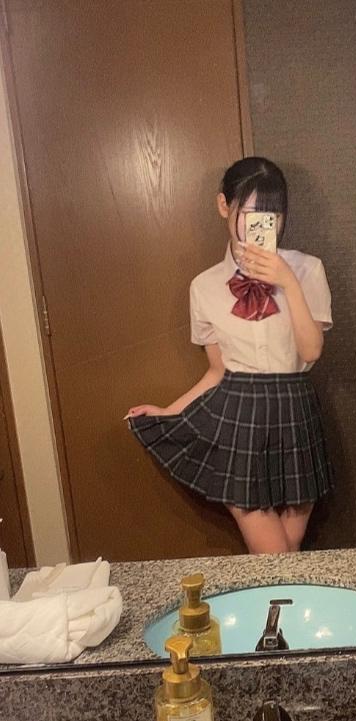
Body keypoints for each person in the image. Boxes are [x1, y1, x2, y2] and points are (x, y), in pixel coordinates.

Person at [125, 157, 333, 554]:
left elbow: (311, 351)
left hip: (295, 413)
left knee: (287, 554)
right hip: (240, 416)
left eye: (272, 214)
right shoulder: (204, 287)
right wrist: (168, 412)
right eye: (251, 212)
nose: (264, 224)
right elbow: (216, 371)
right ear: (224, 205)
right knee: (275, 557)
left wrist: (287, 282)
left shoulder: (308, 270)